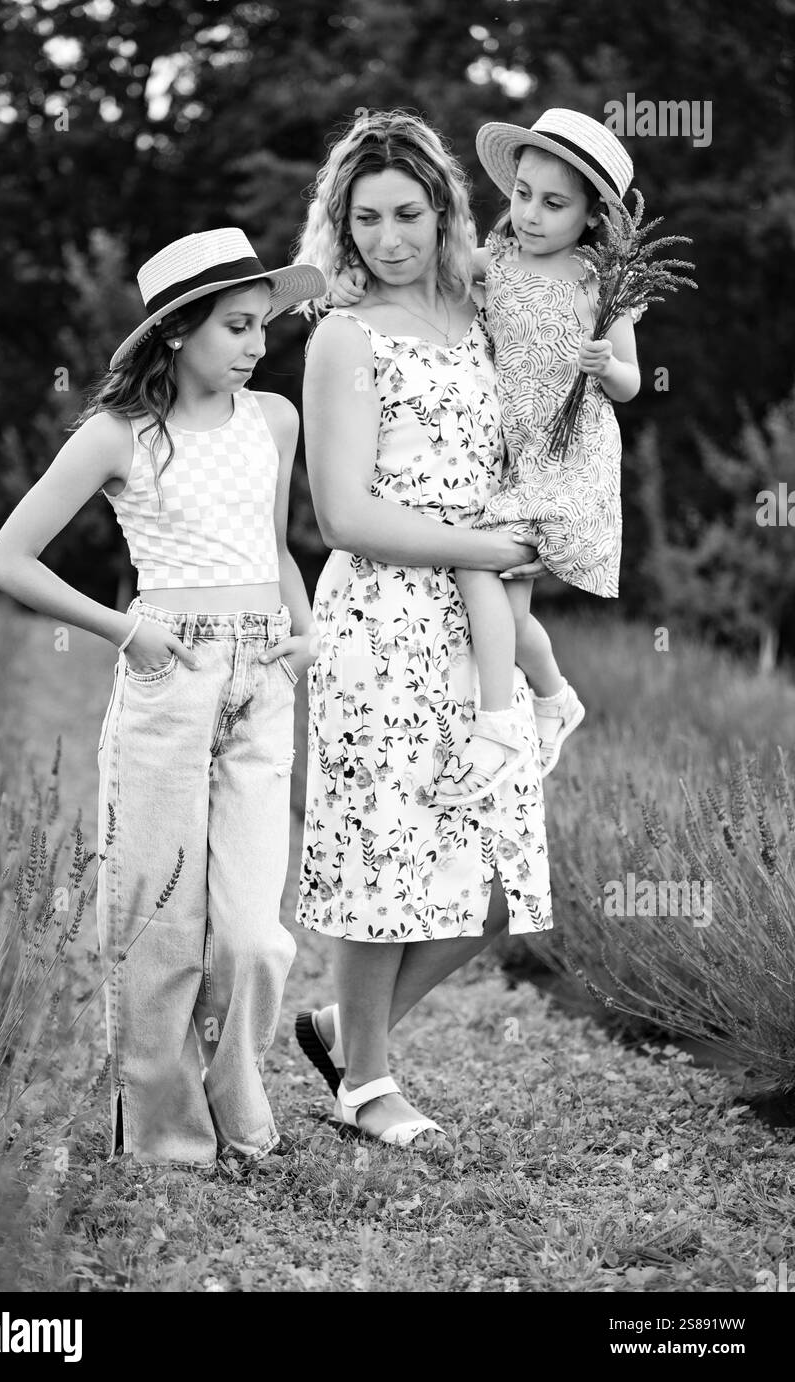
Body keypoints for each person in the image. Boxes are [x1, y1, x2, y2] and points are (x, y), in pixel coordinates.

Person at [0, 228, 326, 1166]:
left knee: (256, 935)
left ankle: (232, 1085)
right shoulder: (117, 435)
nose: (258, 344)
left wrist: (305, 640)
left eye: (264, 325)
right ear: (177, 331)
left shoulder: (275, 421)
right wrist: (127, 628)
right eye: (236, 326)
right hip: (170, 677)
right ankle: (167, 1136)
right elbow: (7, 559)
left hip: (263, 677)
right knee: (159, 924)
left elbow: (273, 546)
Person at [290, 110, 552, 1149]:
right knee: (382, 855)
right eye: (366, 220)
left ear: (444, 211)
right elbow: (344, 514)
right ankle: (368, 1085)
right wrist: (487, 549)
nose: (388, 238)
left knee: (494, 881)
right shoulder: (343, 337)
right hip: (383, 619)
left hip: (481, 625)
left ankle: (342, 1036)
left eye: (408, 213)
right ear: (341, 226)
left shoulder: (483, 315)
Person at [335, 109, 642, 802]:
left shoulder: (604, 282)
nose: (530, 213)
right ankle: (555, 697)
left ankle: (500, 724)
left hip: (570, 460)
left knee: (482, 574)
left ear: (592, 216)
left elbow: (630, 381)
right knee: (506, 605)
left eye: (554, 203)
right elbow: (428, 281)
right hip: (517, 457)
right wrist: (352, 284)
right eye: (523, 194)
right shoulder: (497, 260)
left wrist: (605, 367)